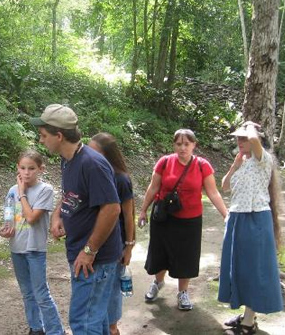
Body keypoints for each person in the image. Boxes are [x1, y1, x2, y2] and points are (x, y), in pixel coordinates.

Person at [30, 104, 122, 335]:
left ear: (59, 136)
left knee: (83, 321)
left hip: (95, 258)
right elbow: (73, 194)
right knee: (96, 319)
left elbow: (111, 209)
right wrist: (58, 215)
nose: (41, 141)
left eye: (43, 136)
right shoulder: (68, 159)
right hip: (82, 251)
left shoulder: (92, 163)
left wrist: (89, 250)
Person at [138, 129, 228, 311]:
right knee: (160, 252)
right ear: (174, 145)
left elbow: (213, 192)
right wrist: (143, 210)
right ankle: (158, 282)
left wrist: (226, 214)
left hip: (190, 219)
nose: (182, 148)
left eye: (187, 144)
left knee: (186, 256)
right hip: (164, 216)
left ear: (194, 145)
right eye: (179, 144)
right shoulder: (164, 162)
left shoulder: (203, 165)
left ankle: (183, 292)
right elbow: (153, 187)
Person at [219, 121, 284, 335]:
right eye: (237, 138)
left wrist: (249, 127)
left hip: (255, 218)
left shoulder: (263, 160)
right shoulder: (242, 162)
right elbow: (225, 186)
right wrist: (233, 167)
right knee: (240, 269)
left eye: (243, 137)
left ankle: (248, 323)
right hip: (237, 218)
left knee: (254, 270)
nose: (240, 141)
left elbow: (255, 139)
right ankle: (248, 316)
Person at [0, 150, 64, 335]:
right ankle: (36, 328)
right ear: (17, 168)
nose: (26, 173)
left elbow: (32, 218)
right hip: (16, 248)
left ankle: (55, 331)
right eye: (23, 168)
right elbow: (8, 217)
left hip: (35, 248)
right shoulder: (12, 190)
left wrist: (22, 193)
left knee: (41, 294)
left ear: (40, 169)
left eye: (31, 168)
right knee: (27, 292)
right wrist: (5, 230)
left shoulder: (45, 190)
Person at [88, 132, 135, 335]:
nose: (89, 155)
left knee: (113, 287)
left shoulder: (121, 179)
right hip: (98, 241)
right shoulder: (93, 174)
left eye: (94, 151)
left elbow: (128, 214)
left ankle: (113, 327)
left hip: (117, 242)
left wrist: (129, 246)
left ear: (107, 154)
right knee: (98, 288)